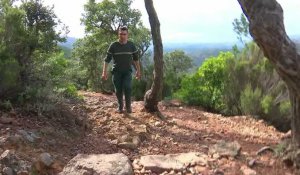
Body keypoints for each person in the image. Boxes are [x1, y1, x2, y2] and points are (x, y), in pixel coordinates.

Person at [101, 26, 141, 113]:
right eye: (120, 34)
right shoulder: (113, 45)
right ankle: (120, 106)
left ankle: (128, 107)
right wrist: (104, 72)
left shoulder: (131, 45)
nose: (122, 36)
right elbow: (107, 59)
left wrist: (138, 71)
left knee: (128, 87)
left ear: (127, 35)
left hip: (127, 72)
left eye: (124, 34)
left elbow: (136, 59)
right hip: (116, 72)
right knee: (118, 90)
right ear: (118, 34)